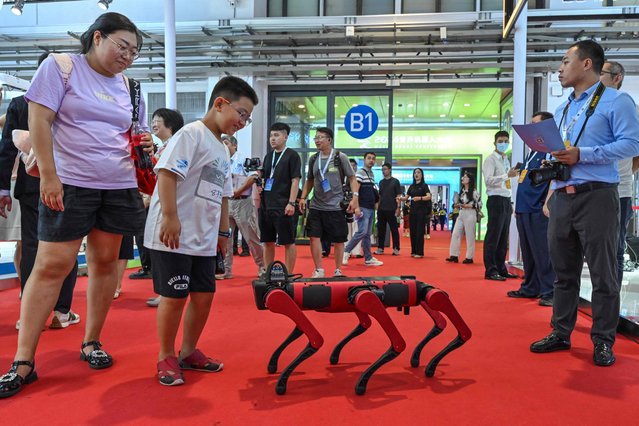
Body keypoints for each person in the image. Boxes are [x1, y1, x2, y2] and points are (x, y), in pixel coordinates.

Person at [0, 12, 150, 398]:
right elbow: (39, 118)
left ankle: (91, 341)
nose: (128, 56)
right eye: (123, 46)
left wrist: (145, 145)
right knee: (51, 265)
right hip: (71, 184)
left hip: (118, 185)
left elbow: (136, 131)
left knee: (104, 265)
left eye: (134, 51)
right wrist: (49, 175)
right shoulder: (61, 67)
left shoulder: (132, 88)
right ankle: (23, 360)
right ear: (97, 37)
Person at [530, 40, 639, 367]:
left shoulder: (616, 102)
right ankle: (561, 331)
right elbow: (561, 150)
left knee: (604, 274)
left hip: (598, 196)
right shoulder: (564, 109)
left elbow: (632, 143)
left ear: (587, 64)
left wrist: (584, 155)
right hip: (563, 196)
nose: (560, 69)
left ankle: (603, 341)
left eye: (565, 61)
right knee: (563, 272)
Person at [144, 75, 256, 386]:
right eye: (242, 114)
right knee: (174, 296)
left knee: (204, 296)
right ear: (220, 104)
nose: (243, 123)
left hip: (204, 239)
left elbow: (220, 195)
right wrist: (169, 216)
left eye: (248, 118)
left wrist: (223, 235)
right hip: (174, 235)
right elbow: (166, 175)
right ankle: (166, 355)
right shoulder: (190, 134)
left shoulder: (221, 148)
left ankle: (188, 351)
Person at [0, 53, 81, 331]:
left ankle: (30, 313)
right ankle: (61, 311)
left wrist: (3, 188)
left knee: (33, 246)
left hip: (34, 185)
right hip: (68, 182)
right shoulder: (74, 102)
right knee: (66, 246)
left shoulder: (19, 104)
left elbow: (7, 150)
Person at [507, 112, 556, 306]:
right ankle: (530, 287)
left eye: (535, 124)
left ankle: (549, 291)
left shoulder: (551, 149)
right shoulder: (533, 151)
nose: (531, 127)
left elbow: (554, 178)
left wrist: (547, 203)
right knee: (528, 251)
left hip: (538, 208)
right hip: (524, 208)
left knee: (542, 251)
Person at [130, 108, 184, 284]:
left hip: (165, 204)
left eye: (157, 120)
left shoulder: (174, 146)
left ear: (170, 125)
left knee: (164, 245)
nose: (153, 124)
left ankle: (166, 285)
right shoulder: (163, 147)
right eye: (152, 120)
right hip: (157, 200)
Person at [599, 61, 639, 288]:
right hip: (597, 189)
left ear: (617, 77)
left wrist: (624, 174)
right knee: (597, 249)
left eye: (601, 73)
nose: (597, 77)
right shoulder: (595, 105)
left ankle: (610, 303)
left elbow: (636, 148)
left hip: (619, 192)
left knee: (615, 248)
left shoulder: (624, 105)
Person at [299, 127, 358, 278]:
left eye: (320, 137)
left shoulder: (340, 157)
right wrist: (303, 197)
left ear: (329, 140)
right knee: (314, 237)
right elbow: (310, 180)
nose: (317, 141)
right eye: (316, 138)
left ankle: (338, 269)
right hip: (316, 206)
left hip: (336, 206)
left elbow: (352, 178)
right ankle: (319, 269)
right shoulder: (314, 158)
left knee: (339, 240)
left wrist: (355, 198)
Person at [259, 122, 301, 274]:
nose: (272, 139)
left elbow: (295, 180)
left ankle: (289, 273)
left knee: (288, 241)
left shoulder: (292, 155)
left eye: (276, 135)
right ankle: (269, 272)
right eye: (271, 135)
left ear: (285, 137)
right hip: (266, 205)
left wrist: (291, 202)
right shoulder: (268, 156)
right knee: (267, 241)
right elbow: (265, 178)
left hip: (284, 205)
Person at [221, 134, 264, 279]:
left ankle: (263, 267)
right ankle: (225, 270)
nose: (224, 146)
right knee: (225, 237)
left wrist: (237, 191)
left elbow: (253, 177)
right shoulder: (220, 160)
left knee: (251, 236)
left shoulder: (243, 159)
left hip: (242, 202)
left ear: (234, 145)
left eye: (226, 143)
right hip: (226, 202)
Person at [482, 130, 519, 281]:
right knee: (493, 236)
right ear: (495, 143)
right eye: (501, 141)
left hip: (505, 199)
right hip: (495, 199)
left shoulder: (505, 160)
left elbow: (508, 184)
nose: (503, 144)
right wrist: (506, 176)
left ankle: (501, 268)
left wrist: (511, 201)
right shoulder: (490, 160)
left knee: (504, 237)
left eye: (506, 141)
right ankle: (490, 270)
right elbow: (489, 180)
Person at [343, 152, 383, 267]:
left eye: (373, 159)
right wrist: (357, 207)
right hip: (363, 207)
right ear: (364, 160)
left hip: (370, 208)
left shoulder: (371, 174)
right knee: (362, 232)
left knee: (367, 234)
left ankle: (368, 258)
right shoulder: (360, 173)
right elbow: (356, 190)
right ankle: (346, 251)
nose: (371, 160)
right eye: (369, 158)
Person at [446, 172, 481, 264]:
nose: (463, 178)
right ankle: (454, 255)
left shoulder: (474, 192)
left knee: (470, 236)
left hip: (470, 213)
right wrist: (457, 205)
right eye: (463, 177)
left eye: (465, 177)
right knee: (455, 233)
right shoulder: (461, 192)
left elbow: (479, 204)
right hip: (461, 213)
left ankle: (469, 257)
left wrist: (469, 205)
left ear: (470, 180)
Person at [375, 162, 403, 256]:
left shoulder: (395, 181)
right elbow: (380, 196)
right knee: (381, 229)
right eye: (382, 170)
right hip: (381, 209)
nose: (384, 171)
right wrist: (377, 207)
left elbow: (398, 195)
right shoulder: (381, 182)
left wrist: (398, 208)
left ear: (390, 170)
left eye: (385, 169)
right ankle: (380, 248)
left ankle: (396, 248)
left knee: (394, 229)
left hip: (392, 209)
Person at [402, 168, 431, 258]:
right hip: (413, 211)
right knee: (413, 232)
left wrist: (420, 198)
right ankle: (413, 251)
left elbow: (429, 197)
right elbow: (406, 197)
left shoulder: (424, 185)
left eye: (418, 172)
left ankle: (420, 252)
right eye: (415, 173)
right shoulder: (411, 186)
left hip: (421, 211)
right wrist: (400, 198)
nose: (416, 174)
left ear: (422, 175)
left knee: (419, 231)